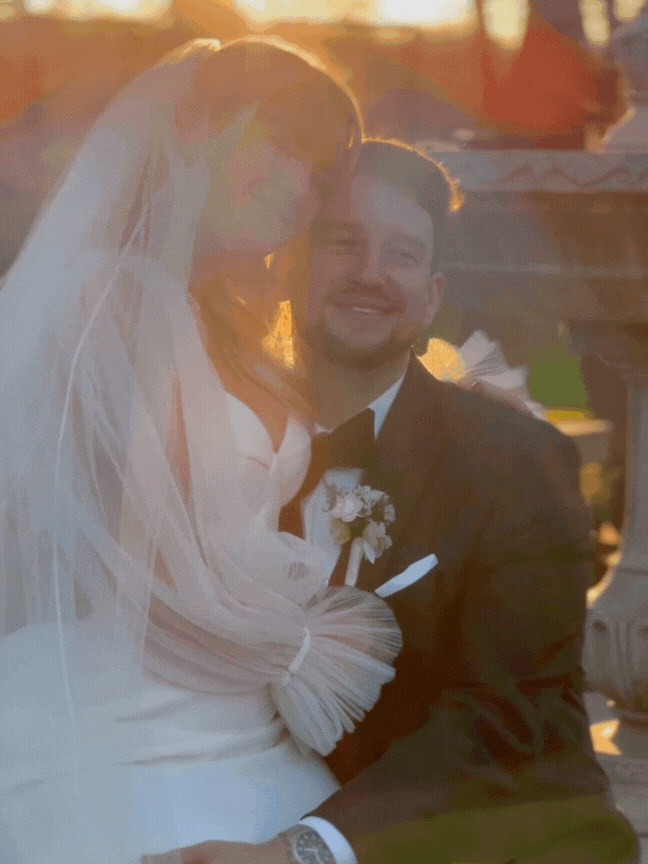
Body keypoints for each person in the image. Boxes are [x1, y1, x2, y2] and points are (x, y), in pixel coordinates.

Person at [153, 138, 641, 863]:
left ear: (433, 293)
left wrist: (302, 852)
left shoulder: (517, 461)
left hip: (493, 838)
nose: (371, 275)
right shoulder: (216, 443)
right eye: (343, 243)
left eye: (403, 255)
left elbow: (499, 722)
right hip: (247, 803)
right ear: (289, 267)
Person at [0, 39, 403, 864]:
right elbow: (149, 564)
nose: (300, 184)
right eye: (277, 143)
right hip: (123, 725)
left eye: (320, 173)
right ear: (192, 131)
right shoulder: (108, 303)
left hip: (237, 716)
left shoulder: (238, 328)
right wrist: (306, 648)